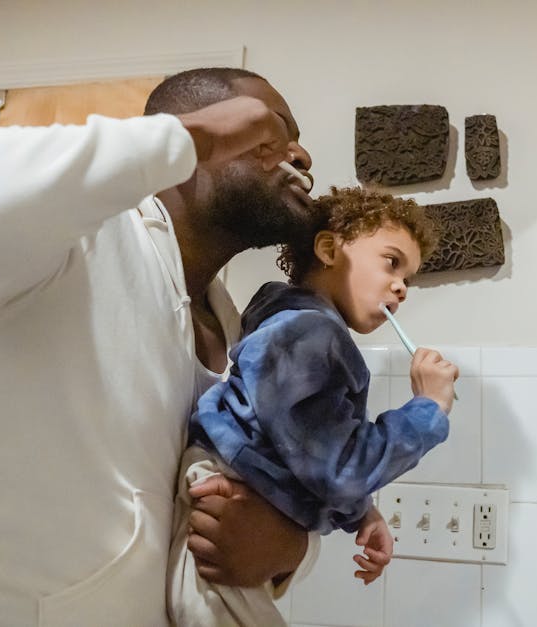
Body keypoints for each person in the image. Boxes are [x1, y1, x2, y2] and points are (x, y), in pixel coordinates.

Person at [0, 68, 324, 626]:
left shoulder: (249, 339)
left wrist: (290, 549)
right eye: (277, 126)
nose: (303, 155)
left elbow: (265, 485)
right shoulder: (74, 236)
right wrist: (184, 140)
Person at [167, 186, 460, 626]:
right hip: (226, 502)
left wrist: (361, 511)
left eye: (409, 280)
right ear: (327, 249)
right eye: (391, 261)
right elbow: (338, 470)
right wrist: (428, 409)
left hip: (236, 493)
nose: (401, 287)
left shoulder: (295, 326)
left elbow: (309, 452)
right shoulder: (310, 335)